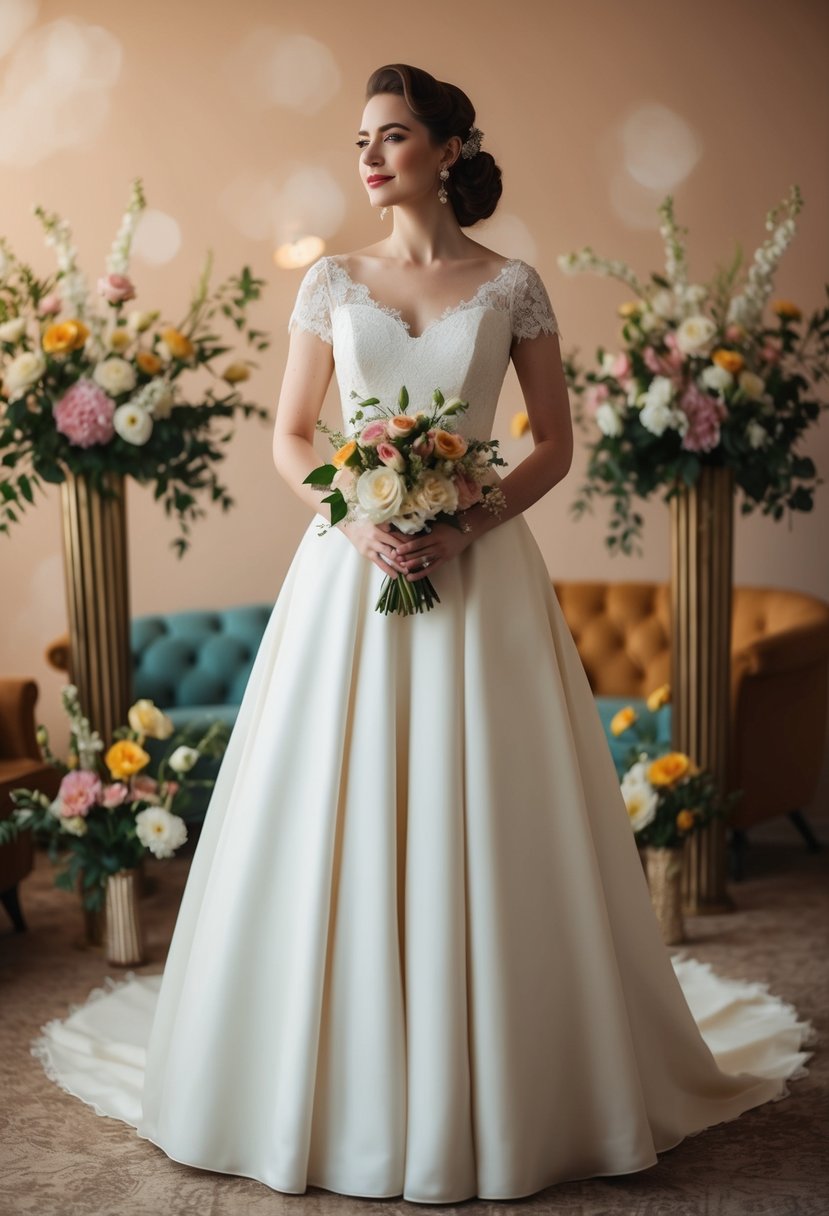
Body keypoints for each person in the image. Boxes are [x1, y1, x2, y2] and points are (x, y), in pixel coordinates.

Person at [30, 63, 814, 1205]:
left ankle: (502, 1077)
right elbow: (293, 437)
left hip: (478, 572)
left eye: (392, 135)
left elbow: (551, 442)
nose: (369, 154)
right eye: (361, 137)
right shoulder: (332, 283)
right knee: (328, 811)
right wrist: (358, 514)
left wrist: (463, 524)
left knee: (486, 808)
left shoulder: (513, 286)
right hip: (348, 574)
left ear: (447, 149)